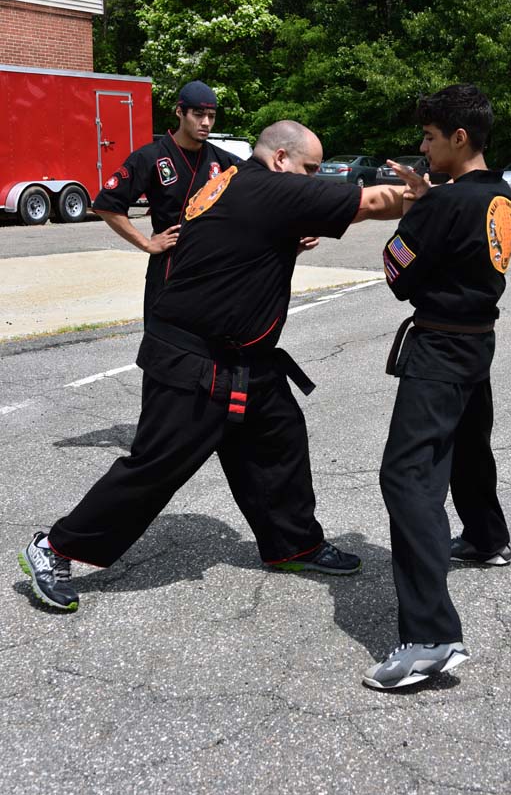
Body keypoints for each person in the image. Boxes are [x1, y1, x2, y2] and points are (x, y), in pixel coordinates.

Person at [18, 121, 407, 612]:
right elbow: (373, 203)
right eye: (309, 169)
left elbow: (247, 235)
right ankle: (53, 548)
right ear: (281, 158)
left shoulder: (236, 180)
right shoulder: (269, 186)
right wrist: (426, 197)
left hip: (245, 357)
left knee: (278, 439)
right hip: (194, 356)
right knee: (157, 466)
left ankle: (293, 544)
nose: (313, 179)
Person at [363, 84, 511, 690]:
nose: (423, 149)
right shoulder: (505, 199)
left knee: (406, 475)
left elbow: (395, 271)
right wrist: (433, 200)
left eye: (431, 138)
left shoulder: (438, 206)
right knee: (468, 445)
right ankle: (486, 538)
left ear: (460, 138)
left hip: (438, 346)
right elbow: (465, 250)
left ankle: (430, 638)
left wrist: (417, 208)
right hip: (478, 341)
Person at [93, 80, 238, 322]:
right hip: (170, 266)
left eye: (211, 116)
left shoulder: (222, 161)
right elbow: (106, 204)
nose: (205, 123)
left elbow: (262, 194)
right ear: (180, 112)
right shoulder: (150, 157)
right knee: (163, 346)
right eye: (198, 114)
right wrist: (146, 244)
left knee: (210, 349)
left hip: (212, 268)